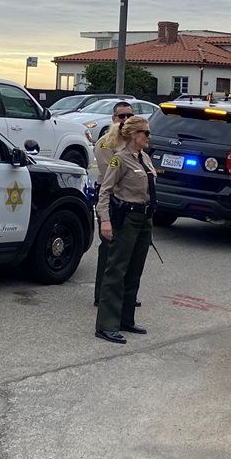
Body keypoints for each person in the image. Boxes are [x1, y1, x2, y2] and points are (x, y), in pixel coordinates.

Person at [95, 114, 156, 344]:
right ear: (133, 135)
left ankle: (125, 319)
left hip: (144, 219)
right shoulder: (119, 160)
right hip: (126, 218)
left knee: (134, 271)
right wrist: (105, 220)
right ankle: (106, 325)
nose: (149, 137)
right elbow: (105, 191)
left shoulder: (145, 158)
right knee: (116, 270)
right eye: (146, 133)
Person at [91, 101, 135, 307]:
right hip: (111, 198)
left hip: (130, 201)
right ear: (114, 119)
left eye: (129, 116)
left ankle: (123, 294)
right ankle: (102, 294)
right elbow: (112, 175)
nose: (125, 120)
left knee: (126, 251)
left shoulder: (135, 143)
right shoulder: (105, 143)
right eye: (121, 116)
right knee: (109, 249)